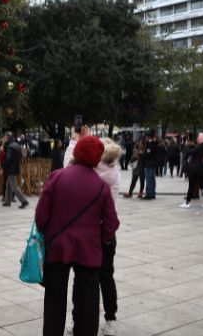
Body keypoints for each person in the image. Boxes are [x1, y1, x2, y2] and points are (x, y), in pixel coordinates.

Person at [36, 136, 119, 336]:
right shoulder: (101, 187)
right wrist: (101, 238)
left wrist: (48, 234)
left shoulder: (57, 176)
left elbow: (40, 215)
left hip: (58, 247)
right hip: (89, 250)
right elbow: (111, 223)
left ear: (77, 152)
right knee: (87, 302)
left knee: (54, 300)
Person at [63, 129, 123, 336]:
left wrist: (75, 140)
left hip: (88, 232)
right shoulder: (114, 170)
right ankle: (110, 319)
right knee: (106, 276)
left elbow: (69, 162)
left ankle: (78, 320)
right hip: (107, 233)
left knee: (83, 279)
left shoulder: (95, 173)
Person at [180, 133, 203, 209]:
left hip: (196, 169)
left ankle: (187, 203)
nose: (197, 138)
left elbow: (189, 152)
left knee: (191, 186)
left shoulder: (200, 146)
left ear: (201, 139)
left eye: (198, 137)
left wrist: (185, 146)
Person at [2, 132, 28, 208]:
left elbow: (8, 158)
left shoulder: (10, 147)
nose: (4, 139)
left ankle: (24, 201)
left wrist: (3, 165)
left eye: (5, 137)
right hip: (16, 167)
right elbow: (21, 156)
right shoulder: (17, 145)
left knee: (14, 186)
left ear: (9, 138)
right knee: (8, 185)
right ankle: (7, 201)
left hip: (11, 168)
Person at [141, 133, 158, 198]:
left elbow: (148, 154)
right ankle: (153, 193)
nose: (145, 139)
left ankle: (149, 194)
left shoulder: (149, 144)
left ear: (148, 137)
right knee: (152, 179)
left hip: (148, 164)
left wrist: (141, 154)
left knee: (149, 179)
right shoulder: (154, 143)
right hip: (152, 163)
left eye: (145, 137)